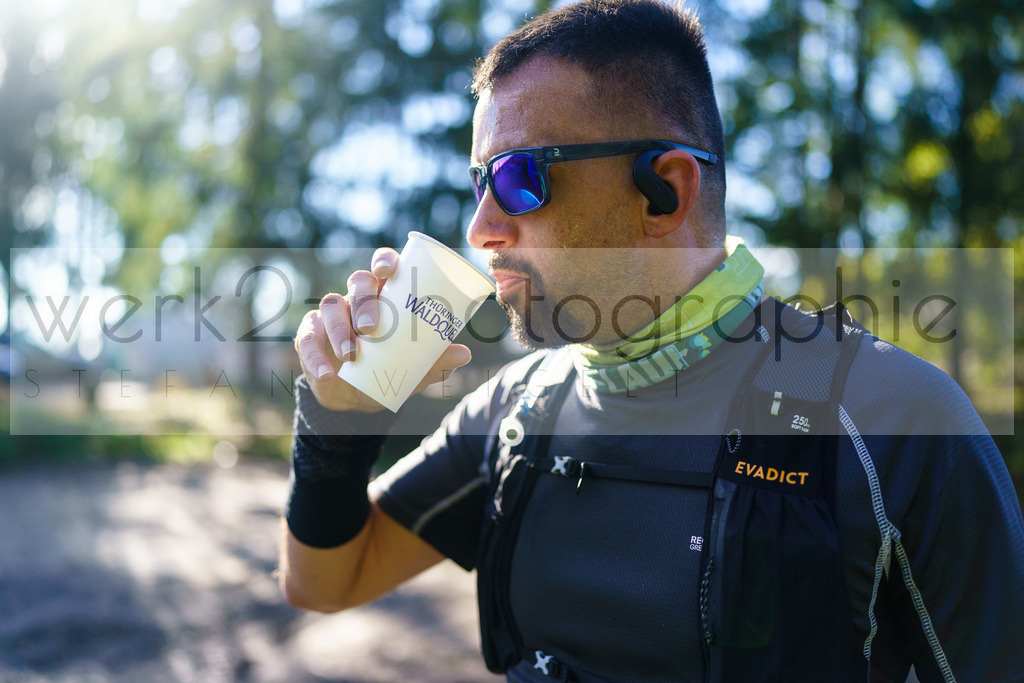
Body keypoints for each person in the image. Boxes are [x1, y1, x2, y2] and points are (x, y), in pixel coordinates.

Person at [278, 0, 1024, 680]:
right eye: (480, 182)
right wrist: (337, 420)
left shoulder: (894, 418)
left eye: (518, 177)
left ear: (665, 190)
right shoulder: (519, 407)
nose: (480, 228)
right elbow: (326, 581)